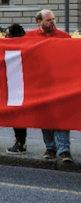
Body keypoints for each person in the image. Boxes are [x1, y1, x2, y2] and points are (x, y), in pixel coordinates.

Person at [25, 10, 73, 163]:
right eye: (48, 20)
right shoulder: (29, 36)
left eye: (53, 19)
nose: (52, 22)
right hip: (40, 84)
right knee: (45, 117)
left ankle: (64, 149)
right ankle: (50, 147)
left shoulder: (64, 36)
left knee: (62, 116)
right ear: (39, 22)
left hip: (60, 84)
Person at [3, 22, 30, 153]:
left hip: (20, 87)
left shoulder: (23, 48)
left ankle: (21, 143)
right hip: (13, 85)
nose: (5, 38)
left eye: (8, 36)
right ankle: (19, 142)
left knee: (19, 116)